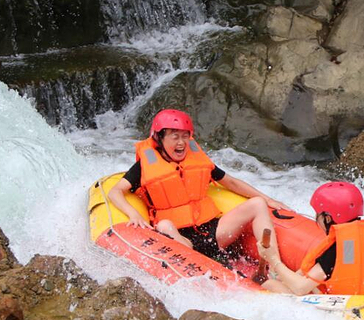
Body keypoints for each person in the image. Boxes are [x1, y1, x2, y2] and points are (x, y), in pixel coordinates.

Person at [107, 109, 289, 265]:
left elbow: (231, 182)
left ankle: (275, 266)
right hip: (180, 238)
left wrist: (268, 199)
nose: (181, 143)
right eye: (175, 137)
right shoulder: (144, 167)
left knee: (257, 204)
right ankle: (201, 264)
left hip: (212, 232)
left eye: (185, 137)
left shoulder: (198, 161)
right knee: (164, 225)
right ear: (159, 138)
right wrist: (133, 213)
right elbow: (115, 192)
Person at [259, 182, 364, 296]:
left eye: (317, 215)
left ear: (328, 218)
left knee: (267, 283)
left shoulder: (336, 248)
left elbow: (300, 288)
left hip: (347, 304)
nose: (315, 218)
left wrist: (272, 259)